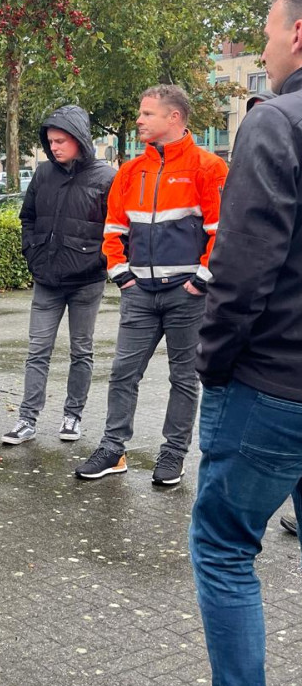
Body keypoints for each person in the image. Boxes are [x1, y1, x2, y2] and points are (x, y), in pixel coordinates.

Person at [136, 0, 302, 686]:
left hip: (272, 383)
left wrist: (213, 361)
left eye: (266, 34)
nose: (262, 49)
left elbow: (242, 268)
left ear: (296, 36)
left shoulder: (274, 124)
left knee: (227, 546)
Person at [75, 85, 228, 485]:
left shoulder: (208, 168)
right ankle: (113, 449)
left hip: (187, 296)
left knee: (184, 378)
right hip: (140, 293)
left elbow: (222, 233)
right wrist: (121, 274)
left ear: (174, 117)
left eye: (147, 114)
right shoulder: (129, 171)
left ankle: (173, 455)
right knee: (123, 372)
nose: (139, 120)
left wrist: (200, 281)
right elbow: (113, 230)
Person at [2, 105, 114, 446]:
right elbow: (28, 218)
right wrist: (32, 254)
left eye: (61, 140)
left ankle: (73, 416)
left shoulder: (106, 178)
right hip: (47, 280)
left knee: (81, 351)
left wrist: (100, 261)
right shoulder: (43, 174)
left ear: (79, 139)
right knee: (37, 351)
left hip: (87, 282)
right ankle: (27, 419)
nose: (54, 147)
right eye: (50, 141)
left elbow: (116, 229)